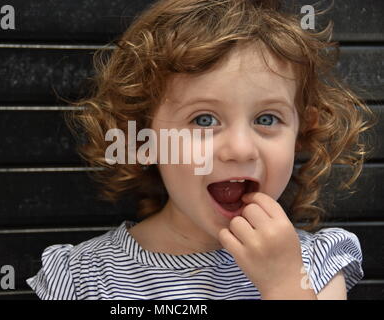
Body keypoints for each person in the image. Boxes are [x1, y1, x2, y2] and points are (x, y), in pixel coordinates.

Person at [26, 0, 377, 299]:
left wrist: (285, 285)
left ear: (301, 131)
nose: (240, 149)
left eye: (267, 119)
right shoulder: (83, 277)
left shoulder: (317, 264)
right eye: (204, 120)